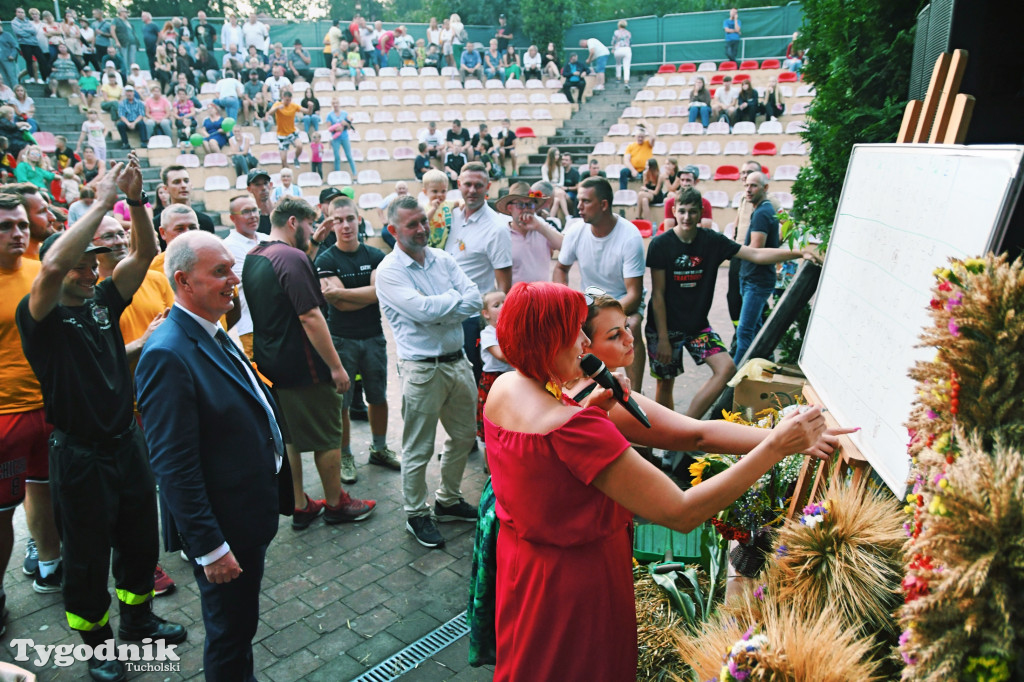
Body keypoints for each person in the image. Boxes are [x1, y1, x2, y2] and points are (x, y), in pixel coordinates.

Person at [483, 281, 828, 681]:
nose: (582, 341)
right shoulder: (575, 428)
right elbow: (681, 512)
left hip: (525, 566)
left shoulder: (506, 386)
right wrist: (775, 448)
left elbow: (546, 461)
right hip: (576, 582)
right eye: (575, 332)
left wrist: (589, 407)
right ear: (548, 340)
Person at [15, 158, 187, 682]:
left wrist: (134, 202)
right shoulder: (40, 316)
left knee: (139, 541)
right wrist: (99, 199)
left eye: (94, 262)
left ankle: (137, 624)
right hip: (80, 454)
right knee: (87, 557)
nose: (94, 270)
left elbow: (144, 255)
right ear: (59, 267)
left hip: (126, 442)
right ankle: (98, 648)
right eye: (82, 263)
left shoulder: (99, 302)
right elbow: (48, 268)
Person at [136, 229, 289, 682]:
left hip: (246, 510)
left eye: (231, 269)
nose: (232, 281)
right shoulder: (168, 353)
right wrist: (209, 548)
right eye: (219, 272)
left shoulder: (207, 327)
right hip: (225, 528)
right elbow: (173, 464)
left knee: (240, 626)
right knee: (229, 632)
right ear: (184, 281)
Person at [242, 196, 375, 531]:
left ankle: (299, 503)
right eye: (309, 225)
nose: (313, 231)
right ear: (292, 223)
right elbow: (311, 315)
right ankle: (335, 503)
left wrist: (313, 242)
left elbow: (291, 279)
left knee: (289, 439)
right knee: (328, 435)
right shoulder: (290, 257)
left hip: (273, 364)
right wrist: (336, 367)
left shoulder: (256, 255)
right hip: (306, 366)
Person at [647, 186, 813, 419]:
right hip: (665, 327)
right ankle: (667, 439)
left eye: (693, 212)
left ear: (701, 213)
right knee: (665, 384)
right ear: (674, 211)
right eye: (682, 211)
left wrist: (798, 253)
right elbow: (658, 294)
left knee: (726, 369)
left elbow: (755, 254)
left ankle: (686, 427)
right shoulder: (660, 244)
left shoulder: (712, 241)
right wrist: (663, 338)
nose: (687, 217)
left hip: (697, 326)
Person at [376, 195, 481, 549]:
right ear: (393, 230)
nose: (422, 229)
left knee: (465, 437)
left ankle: (448, 500)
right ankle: (415, 514)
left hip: (458, 361)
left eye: (423, 221)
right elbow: (422, 312)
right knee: (418, 448)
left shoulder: (443, 258)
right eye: (412, 224)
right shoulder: (390, 272)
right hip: (422, 370)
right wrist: (452, 303)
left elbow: (476, 299)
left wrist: (440, 309)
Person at [0, 193, 63, 631]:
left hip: (51, 406)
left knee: (45, 489)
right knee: (3, 511)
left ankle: (49, 563)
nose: (17, 233)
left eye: (21, 224)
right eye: (6, 226)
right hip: (6, 416)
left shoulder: (40, 271)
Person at [315, 195, 400, 484]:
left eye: (350, 218)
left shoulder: (375, 255)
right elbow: (338, 304)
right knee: (342, 403)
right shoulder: (325, 259)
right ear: (331, 224)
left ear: (358, 219)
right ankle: (346, 455)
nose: (345, 225)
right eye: (338, 220)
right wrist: (365, 293)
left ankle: (379, 449)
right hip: (341, 340)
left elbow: (379, 293)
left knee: (378, 397)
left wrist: (344, 293)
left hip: (373, 337)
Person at [554, 177, 647, 391]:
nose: (578, 206)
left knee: (631, 325)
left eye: (585, 201)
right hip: (591, 301)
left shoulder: (630, 235)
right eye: (578, 200)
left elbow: (634, 294)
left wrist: (603, 316)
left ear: (604, 205)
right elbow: (560, 268)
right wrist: (567, 302)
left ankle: (635, 393)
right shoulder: (576, 231)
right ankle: (578, 390)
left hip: (622, 302)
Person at [447, 162, 513, 385]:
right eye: (467, 184)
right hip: (444, 311)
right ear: (459, 185)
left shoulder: (497, 227)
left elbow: (504, 286)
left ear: (488, 187)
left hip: (472, 317)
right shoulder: (449, 216)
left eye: (478, 185)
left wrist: (496, 325)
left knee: (472, 380)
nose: (472, 190)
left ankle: (478, 421)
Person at [734, 171, 782, 363]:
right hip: (752, 278)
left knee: (744, 331)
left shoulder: (763, 212)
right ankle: (761, 364)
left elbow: (756, 248)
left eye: (754, 185)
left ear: (765, 188)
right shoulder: (763, 209)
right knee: (754, 328)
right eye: (746, 185)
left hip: (756, 280)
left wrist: (732, 249)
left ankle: (733, 380)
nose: (748, 189)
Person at [496, 182, 563, 285]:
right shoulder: (502, 233)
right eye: (520, 205)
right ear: (510, 208)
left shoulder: (541, 226)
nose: (526, 209)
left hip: (540, 296)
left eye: (530, 205)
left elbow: (566, 246)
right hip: (515, 298)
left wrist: (540, 227)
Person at [476, 290, 512, 445]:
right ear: (486, 314)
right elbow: (502, 356)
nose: (503, 307)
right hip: (493, 380)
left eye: (505, 302)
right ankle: (489, 465)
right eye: (497, 305)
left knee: (510, 420)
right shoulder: (488, 334)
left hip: (512, 379)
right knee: (492, 424)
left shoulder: (513, 330)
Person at [152, 165, 216, 238]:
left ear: (191, 185)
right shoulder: (158, 223)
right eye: (176, 182)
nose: (183, 185)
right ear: (166, 188)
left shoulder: (206, 221)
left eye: (186, 181)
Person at [662, 164, 714, 231]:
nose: (684, 183)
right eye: (682, 180)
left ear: (696, 181)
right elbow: (668, 230)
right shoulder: (670, 203)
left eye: (688, 180)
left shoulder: (705, 203)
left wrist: (679, 227)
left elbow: (706, 230)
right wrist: (695, 226)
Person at [267, 88, 303, 168]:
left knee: (299, 146)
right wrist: (277, 108)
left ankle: (296, 158)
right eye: (287, 100)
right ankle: (287, 175)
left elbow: (306, 111)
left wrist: (310, 107)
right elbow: (270, 112)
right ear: (283, 97)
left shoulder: (293, 105)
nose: (288, 102)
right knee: (283, 160)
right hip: (282, 135)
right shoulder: (277, 104)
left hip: (291, 132)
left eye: (289, 100)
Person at [12, 7, 47, 84]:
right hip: (24, 44)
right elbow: (19, 33)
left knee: (42, 60)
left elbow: (33, 31)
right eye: (19, 12)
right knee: (29, 61)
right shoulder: (14, 22)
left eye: (22, 12)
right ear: (16, 13)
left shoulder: (28, 21)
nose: (21, 14)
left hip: (34, 43)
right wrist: (29, 32)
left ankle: (45, 78)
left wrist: (24, 29)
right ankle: (32, 77)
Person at [326, 98, 357, 175]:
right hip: (335, 138)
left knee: (349, 155)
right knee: (337, 157)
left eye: (337, 103)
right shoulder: (329, 115)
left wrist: (344, 125)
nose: (335, 105)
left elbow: (349, 126)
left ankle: (355, 173)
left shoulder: (344, 114)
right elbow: (329, 128)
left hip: (344, 137)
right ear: (332, 105)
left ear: (339, 104)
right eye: (334, 103)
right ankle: (337, 174)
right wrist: (337, 129)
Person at [618, 123, 654, 190]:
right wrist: (633, 170)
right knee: (623, 172)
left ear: (644, 137)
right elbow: (626, 160)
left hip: (645, 169)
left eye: (642, 137)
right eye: (638, 136)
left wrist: (646, 125)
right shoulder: (630, 146)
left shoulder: (648, 144)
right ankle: (622, 191)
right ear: (635, 136)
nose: (640, 138)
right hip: (633, 169)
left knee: (651, 172)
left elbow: (653, 137)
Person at [611, 20, 632, 89]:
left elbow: (613, 42)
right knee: (627, 66)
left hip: (618, 49)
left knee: (618, 64)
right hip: (627, 49)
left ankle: (618, 78)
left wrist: (613, 48)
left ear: (619, 25)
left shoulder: (616, 32)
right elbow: (630, 42)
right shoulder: (628, 33)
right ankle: (626, 81)